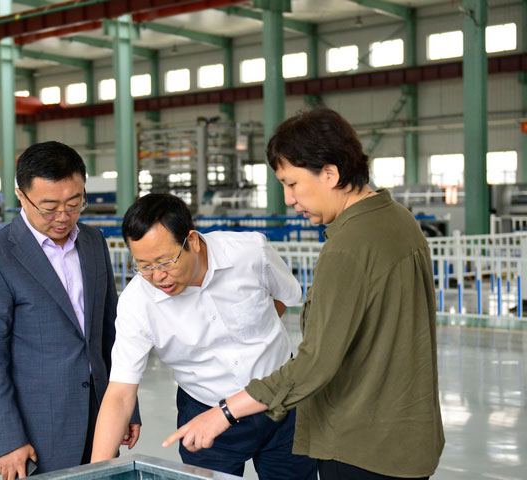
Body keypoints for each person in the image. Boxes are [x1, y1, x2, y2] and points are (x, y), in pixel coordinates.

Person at [163, 108, 444, 480]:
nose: (289, 198)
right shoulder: (397, 219)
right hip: (410, 442)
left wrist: (224, 412)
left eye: (292, 183)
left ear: (330, 173)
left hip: (361, 448)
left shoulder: (348, 247)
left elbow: (315, 365)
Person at [91, 193, 317, 480]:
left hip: (282, 403)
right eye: (144, 266)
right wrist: (94, 474)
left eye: (165, 262)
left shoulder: (250, 253)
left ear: (192, 241)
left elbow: (285, 297)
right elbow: (121, 394)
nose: (158, 276)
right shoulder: (137, 302)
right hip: (204, 414)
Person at [0, 141, 140, 479]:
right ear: (21, 195)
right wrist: (7, 440)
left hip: (102, 415)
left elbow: (110, 332)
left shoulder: (93, 242)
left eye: (74, 203)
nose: (63, 217)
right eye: (49, 207)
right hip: (40, 428)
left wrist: (127, 405)